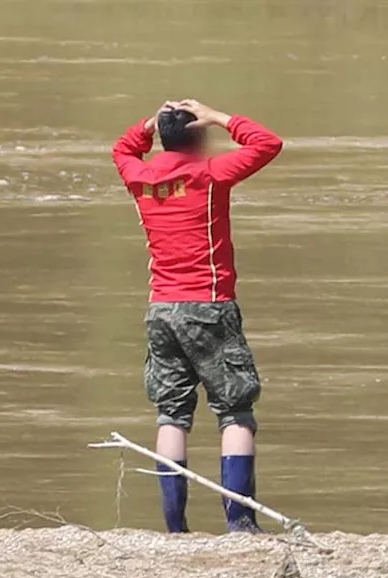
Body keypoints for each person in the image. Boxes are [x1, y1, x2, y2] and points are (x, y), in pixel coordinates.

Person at [112, 100, 283, 533]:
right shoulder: (208, 175)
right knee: (235, 409)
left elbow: (122, 150)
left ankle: (175, 528)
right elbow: (268, 144)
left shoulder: (141, 177)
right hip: (209, 305)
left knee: (172, 412)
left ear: (164, 138)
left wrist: (151, 124)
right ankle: (240, 523)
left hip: (161, 310)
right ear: (201, 137)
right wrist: (222, 116)